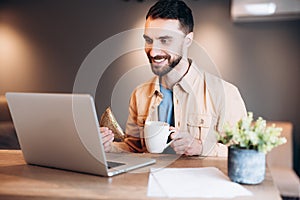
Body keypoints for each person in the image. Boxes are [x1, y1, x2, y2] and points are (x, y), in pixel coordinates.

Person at [104, 0, 247, 156]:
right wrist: (108, 147)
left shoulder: (226, 93)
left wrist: (201, 147)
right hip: (147, 179)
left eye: (165, 40)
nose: (153, 52)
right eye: (149, 40)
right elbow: (134, 148)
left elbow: (244, 152)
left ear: (187, 40)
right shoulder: (139, 94)